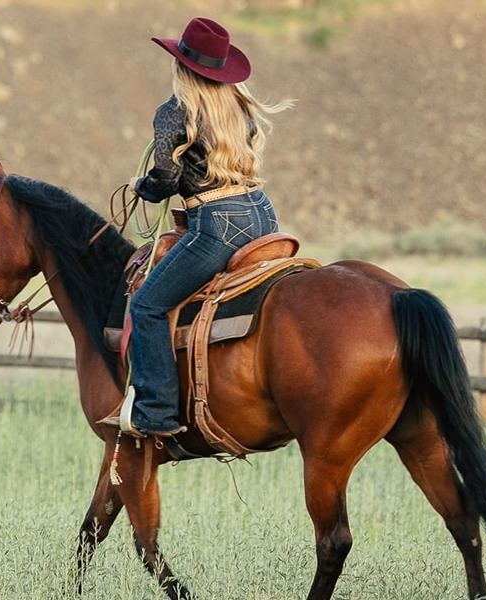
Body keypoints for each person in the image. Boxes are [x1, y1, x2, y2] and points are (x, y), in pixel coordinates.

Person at [100, 17, 293, 437]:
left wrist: (142, 186)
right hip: (262, 213)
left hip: (215, 225)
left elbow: (166, 181)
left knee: (148, 305)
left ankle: (156, 411)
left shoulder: (174, 112)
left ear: (180, 67)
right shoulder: (238, 106)